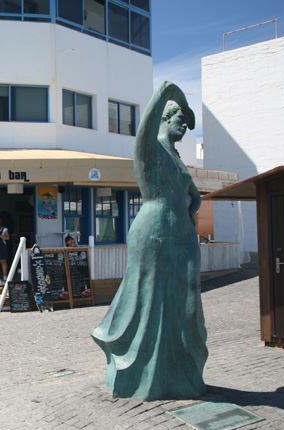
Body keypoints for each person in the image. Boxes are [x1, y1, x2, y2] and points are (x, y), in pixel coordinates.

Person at [91, 81, 208, 401]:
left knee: (183, 306)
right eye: (179, 119)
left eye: (186, 121)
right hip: (154, 233)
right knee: (149, 302)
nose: (184, 125)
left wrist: (191, 208)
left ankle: (179, 373)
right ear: (164, 119)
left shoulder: (176, 157)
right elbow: (144, 128)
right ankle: (142, 376)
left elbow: (192, 195)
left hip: (181, 236)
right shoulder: (151, 148)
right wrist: (169, 92)